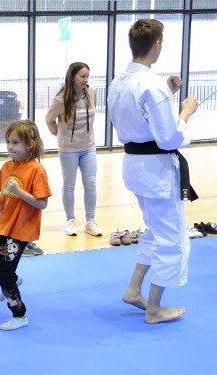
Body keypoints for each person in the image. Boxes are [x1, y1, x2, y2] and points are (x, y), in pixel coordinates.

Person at [107, 19, 198, 324]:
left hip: (135, 166)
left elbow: (141, 118)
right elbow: (169, 137)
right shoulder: (151, 84)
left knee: (156, 230)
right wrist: (185, 111)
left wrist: (167, 94)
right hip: (157, 170)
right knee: (172, 240)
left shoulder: (119, 81)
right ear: (157, 45)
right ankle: (155, 308)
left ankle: (134, 290)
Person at [0, 120, 52, 331]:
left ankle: (20, 315)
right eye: (9, 142)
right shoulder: (7, 166)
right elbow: (6, 195)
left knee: (3, 275)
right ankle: (12, 280)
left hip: (20, 230)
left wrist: (20, 192)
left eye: (16, 142)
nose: (10, 147)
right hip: (2, 225)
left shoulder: (36, 170)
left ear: (29, 144)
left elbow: (42, 203)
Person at [45, 62, 101, 237]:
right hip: (68, 150)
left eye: (87, 76)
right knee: (69, 185)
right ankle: (70, 221)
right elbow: (49, 119)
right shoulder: (61, 100)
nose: (86, 80)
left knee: (90, 184)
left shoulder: (91, 92)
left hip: (89, 147)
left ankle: (90, 222)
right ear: (72, 77)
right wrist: (58, 134)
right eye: (82, 76)